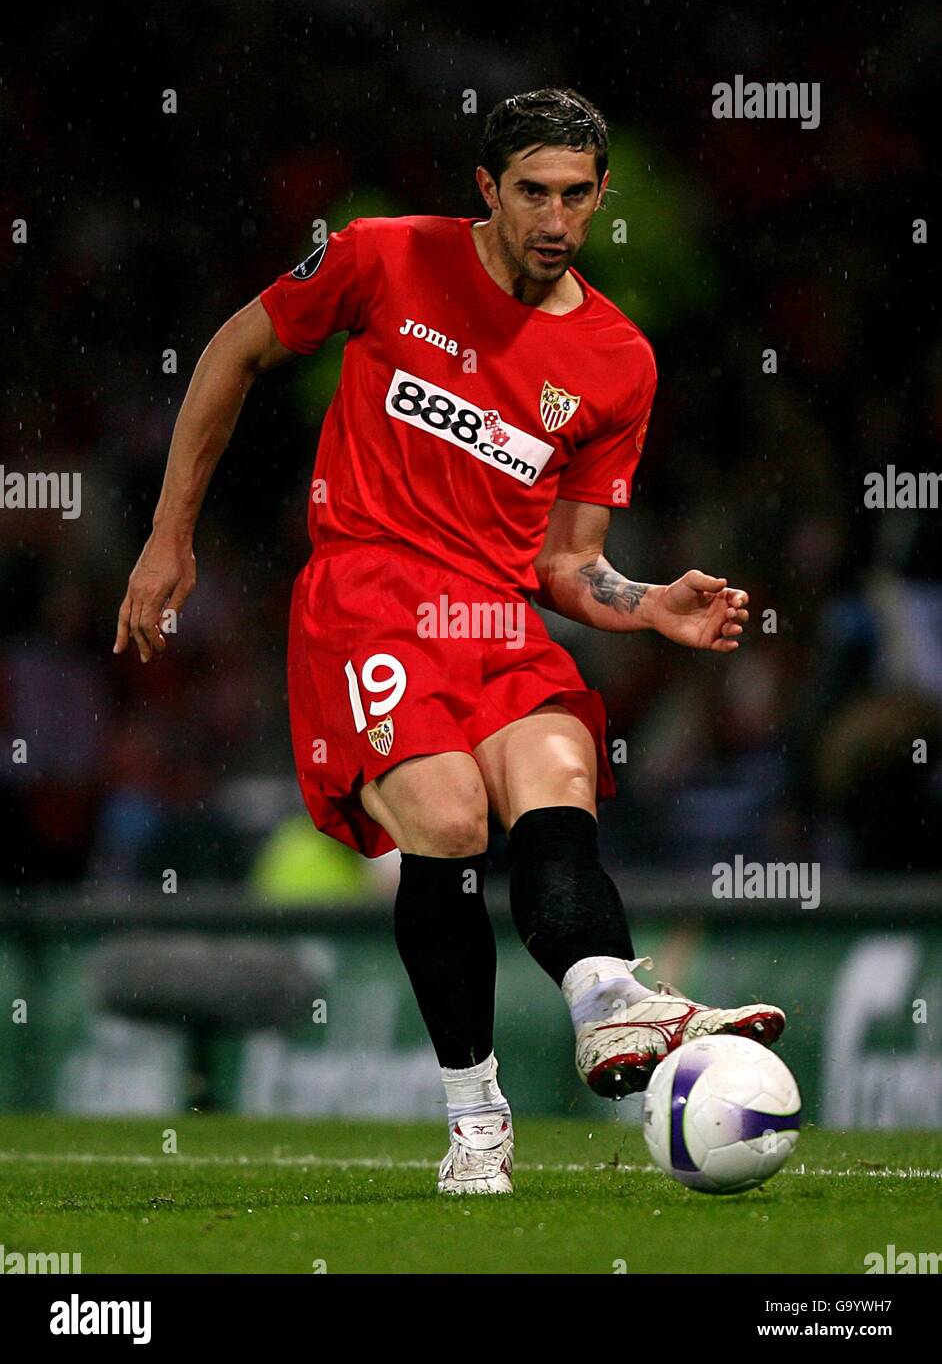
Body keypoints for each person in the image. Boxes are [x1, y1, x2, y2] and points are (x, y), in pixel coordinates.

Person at [114, 88, 784, 1195]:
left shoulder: (620, 361)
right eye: (532, 192)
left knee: (561, 770)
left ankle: (606, 998)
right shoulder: (382, 257)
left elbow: (569, 562)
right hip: (368, 593)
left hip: (495, 614)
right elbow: (236, 348)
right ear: (487, 188)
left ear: (602, 194)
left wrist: (648, 600)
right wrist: (168, 533)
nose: (555, 218)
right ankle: (477, 1118)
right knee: (452, 815)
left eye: (577, 194)